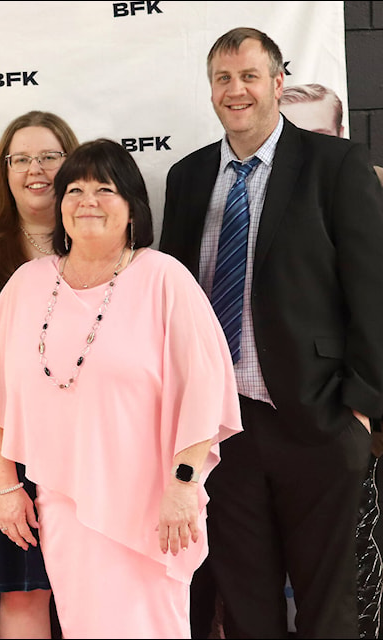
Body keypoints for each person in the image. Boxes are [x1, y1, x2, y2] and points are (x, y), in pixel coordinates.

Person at [160, 27, 383, 638]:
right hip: (222, 432)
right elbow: (171, 304)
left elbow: (373, 290)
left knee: (326, 607)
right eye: (223, 79)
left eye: (250, 76)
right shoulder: (186, 178)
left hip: (316, 421)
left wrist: (359, 412)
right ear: (210, 89)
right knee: (248, 606)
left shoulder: (333, 164)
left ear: (277, 83)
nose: (237, 90)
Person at [0, 137, 242, 638]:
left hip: (154, 506)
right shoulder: (26, 285)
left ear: (133, 208)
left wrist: (184, 485)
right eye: (73, 189)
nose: (86, 201)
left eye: (104, 189)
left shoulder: (164, 279)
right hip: (64, 507)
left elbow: (205, 392)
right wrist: (6, 487)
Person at [0, 110, 78, 640]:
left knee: (92, 588)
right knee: (25, 593)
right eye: (21, 158)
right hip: (4, 453)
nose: (35, 169)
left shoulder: (103, 250)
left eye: (49, 156)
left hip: (85, 450)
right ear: (4, 172)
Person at [280, 81, 383, 640]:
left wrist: (362, 410)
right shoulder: (219, 186)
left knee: (347, 592)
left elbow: (372, 297)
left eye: (318, 134)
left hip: (340, 419)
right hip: (252, 425)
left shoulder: (359, 182)